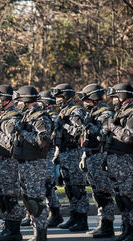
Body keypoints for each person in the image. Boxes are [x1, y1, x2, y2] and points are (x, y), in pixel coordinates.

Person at [13, 85, 52, 241]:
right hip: (25, 163)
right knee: (29, 202)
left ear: (26, 100)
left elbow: (42, 140)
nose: (17, 104)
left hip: (35, 164)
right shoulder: (27, 116)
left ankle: (42, 239)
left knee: (36, 202)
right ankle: (36, 234)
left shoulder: (40, 117)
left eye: (19, 100)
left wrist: (22, 132)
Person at [77, 84, 115, 238]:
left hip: (100, 156)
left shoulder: (106, 113)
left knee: (104, 193)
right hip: (91, 155)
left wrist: (87, 125)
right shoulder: (91, 113)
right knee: (97, 193)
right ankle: (102, 223)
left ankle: (108, 226)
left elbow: (103, 135)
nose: (84, 102)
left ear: (93, 98)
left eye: (86, 98)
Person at [51, 83, 89, 232]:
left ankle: (82, 218)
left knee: (78, 188)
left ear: (67, 96)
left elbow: (80, 131)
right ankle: (74, 216)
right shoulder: (63, 111)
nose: (57, 99)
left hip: (74, 152)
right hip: (64, 152)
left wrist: (65, 125)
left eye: (59, 96)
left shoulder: (75, 112)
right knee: (69, 188)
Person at [105, 83, 133, 241]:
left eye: (116, 97)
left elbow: (129, 137)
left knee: (129, 197)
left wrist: (113, 127)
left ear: (124, 96)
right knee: (121, 198)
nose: (114, 101)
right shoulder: (120, 112)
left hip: (127, 160)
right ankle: (127, 229)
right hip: (117, 160)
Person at [0, 84, 25, 241]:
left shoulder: (12, 118)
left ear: (5, 99)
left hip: (10, 163)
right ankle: (8, 227)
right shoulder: (3, 116)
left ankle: (14, 230)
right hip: (1, 162)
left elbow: (11, 142)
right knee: (3, 198)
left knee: (10, 198)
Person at [37, 90, 64, 227]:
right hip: (43, 153)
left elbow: (51, 136)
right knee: (43, 186)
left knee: (48, 186)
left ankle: (55, 214)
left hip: (49, 153)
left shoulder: (52, 117)